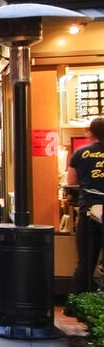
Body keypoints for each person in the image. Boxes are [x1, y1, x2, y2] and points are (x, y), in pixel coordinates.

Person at [67, 117, 104, 294]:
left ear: (92, 132)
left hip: (89, 211)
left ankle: (76, 303)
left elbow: (71, 182)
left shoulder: (80, 153)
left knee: (86, 261)